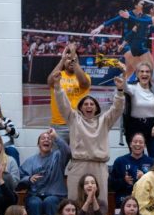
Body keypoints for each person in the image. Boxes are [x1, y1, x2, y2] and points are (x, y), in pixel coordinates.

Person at [53, 73, 125, 205]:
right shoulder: (74, 119)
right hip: (78, 165)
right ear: (80, 107)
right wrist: (58, 87)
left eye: (92, 104)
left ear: (97, 107)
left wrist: (120, 91)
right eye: (85, 104)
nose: (89, 106)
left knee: (101, 203)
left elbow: (117, 109)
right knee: (74, 203)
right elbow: (64, 105)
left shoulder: (104, 121)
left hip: (99, 165)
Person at [122, 61, 154, 158]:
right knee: (135, 158)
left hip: (153, 126)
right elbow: (123, 86)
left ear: (151, 74)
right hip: (134, 126)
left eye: (147, 71)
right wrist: (124, 73)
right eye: (141, 71)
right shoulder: (132, 88)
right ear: (137, 74)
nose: (144, 74)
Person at [20, 128, 72, 215]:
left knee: (50, 201)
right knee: (34, 203)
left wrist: (55, 137)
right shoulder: (30, 161)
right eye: (43, 138)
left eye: (49, 138)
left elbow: (67, 151)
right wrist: (29, 178)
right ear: (38, 144)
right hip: (35, 194)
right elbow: (20, 176)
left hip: (55, 194)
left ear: (52, 144)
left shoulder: (58, 156)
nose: (46, 140)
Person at [46, 45, 92, 142]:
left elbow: (84, 84)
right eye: (68, 59)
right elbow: (50, 81)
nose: (71, 60)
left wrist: (73, 60)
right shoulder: (58, 75)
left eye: (74, 58)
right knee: (58, 156)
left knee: (79, 156)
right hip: (59, 125)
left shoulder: (85, 77)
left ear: (78, 61)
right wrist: (62, 59)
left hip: (79, 124)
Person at [109, 133, 154, 208]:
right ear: (130, 144)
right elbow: (112, 184)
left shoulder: (152, 162)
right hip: (123, 201)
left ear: (145, 145)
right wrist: (124, 181)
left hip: (145, 202)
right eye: (135, 141)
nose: (137, 144)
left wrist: (144, 178)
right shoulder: (120, 161)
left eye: (140, 142)